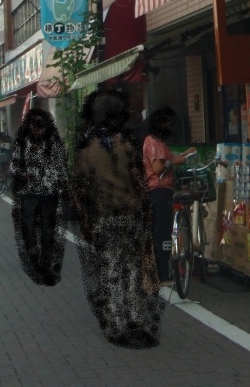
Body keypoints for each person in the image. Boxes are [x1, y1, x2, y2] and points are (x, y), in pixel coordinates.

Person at [71, 89, 159, 349]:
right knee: (132, 267)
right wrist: (147, 209)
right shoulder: (127, 144)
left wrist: (84, 220)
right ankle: (135, 318)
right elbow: (140, 180)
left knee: (110, 269)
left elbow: (79, 189)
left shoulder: (86, 150)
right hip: (131, 214)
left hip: (103, 217)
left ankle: (115, 323)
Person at [11, 108, 67, 286]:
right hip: (28, 191)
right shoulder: (22, 143)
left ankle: (46, 264)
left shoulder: (54, 144)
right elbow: (13, 165)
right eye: (34, 126)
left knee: (47, 229)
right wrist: (22, 173)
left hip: (49, 192)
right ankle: (33, 254)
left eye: (41, 126)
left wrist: (65, 188)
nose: (37, 130)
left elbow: (61, 168)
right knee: (28, 226)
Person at [143, 108, 196, 289]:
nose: (170, 127)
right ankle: (162, 275)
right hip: (159, 190)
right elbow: (158, 168)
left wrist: (184, 155)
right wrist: (175, 161)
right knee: (162, 233)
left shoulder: (154, 141)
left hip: (155, 191)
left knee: (159, 232)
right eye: (167, 123)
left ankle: (158, 273)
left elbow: (167, 159)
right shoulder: (155, 141)